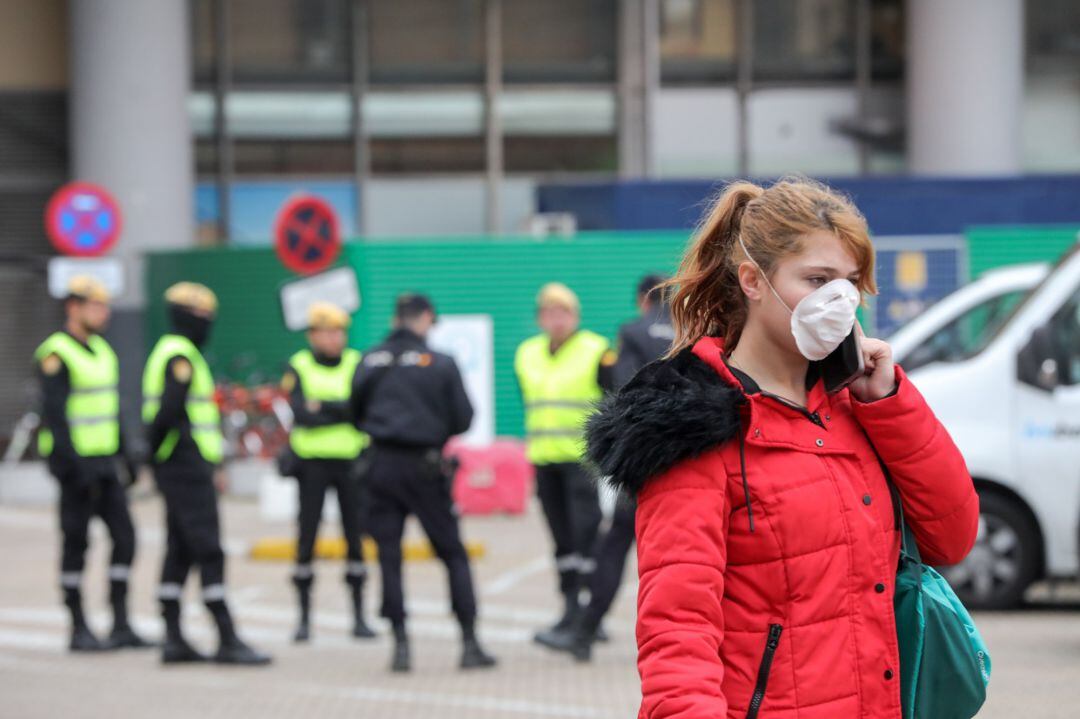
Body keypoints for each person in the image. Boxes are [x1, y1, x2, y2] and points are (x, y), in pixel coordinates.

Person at [586, 178, 979, 718]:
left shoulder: (857, 404)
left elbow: (953, 537)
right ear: (752, 280)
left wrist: (890, 402)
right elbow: (678, 634)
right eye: (816, 279)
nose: (838, 300)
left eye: (849, 283)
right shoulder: (694, 427)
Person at [351, 293, 496, 673]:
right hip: (425, 467)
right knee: (452, 554)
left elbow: (355, 414)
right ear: (426, 318)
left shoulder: (369, 359)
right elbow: (464, 418)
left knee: (389, 557)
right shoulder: (440, 362)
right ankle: (469, 644)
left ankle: (400, 647)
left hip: (380, 465)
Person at [544, 273, 673, 661]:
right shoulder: (695, 329)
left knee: (615, 543)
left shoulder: (633, 332)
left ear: (642, 300)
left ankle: (585, 632)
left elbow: (626, 389)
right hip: (695, 458)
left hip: (648, 460)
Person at [143, 282, 271, 666]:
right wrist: (175, 460)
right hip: (185, 465)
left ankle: (172, 636)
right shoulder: (180, 356)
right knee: (208, 549)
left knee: (180, 551)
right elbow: (169, 414)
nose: (207, 325)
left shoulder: (172, 352)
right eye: (202, 318)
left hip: (180, 464)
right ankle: (227, 637)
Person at [34, 276, 152, 652]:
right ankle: (78, 626)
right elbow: (54, 415)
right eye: (95, 305)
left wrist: (127, 456)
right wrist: (71, 464)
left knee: (126, 538)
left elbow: (110, 409)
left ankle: (120, 622)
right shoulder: (56, 353)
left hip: (104, 463)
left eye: (105, 306)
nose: (103, 313)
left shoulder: (103, 351)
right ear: (73, 307)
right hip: (75, 466)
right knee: (76, 543)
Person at [514, 282, 613, 648]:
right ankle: (571, 608)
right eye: (549, 313)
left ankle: (591, 614)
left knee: (587, 538)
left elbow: (611, 401)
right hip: (544, 460)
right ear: (541, 318)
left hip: (580, 463)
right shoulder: (527, 354)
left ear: (575, 316)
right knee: (562, 542)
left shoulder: (596, 351)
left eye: (563, 313)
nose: (556, 320)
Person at [281, 301, 375, 642]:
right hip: (312, 465)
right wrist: (339, 410)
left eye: (339, 332)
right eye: (326, 332)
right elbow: (301, 414)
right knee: (306, 538)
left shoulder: (356, 363)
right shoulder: (299, 365)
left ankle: (360, 617)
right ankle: (304, 619)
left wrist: (325, 407)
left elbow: (361, 410)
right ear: (312, 336)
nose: (334, 339)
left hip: (350, 463)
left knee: (355, 538)